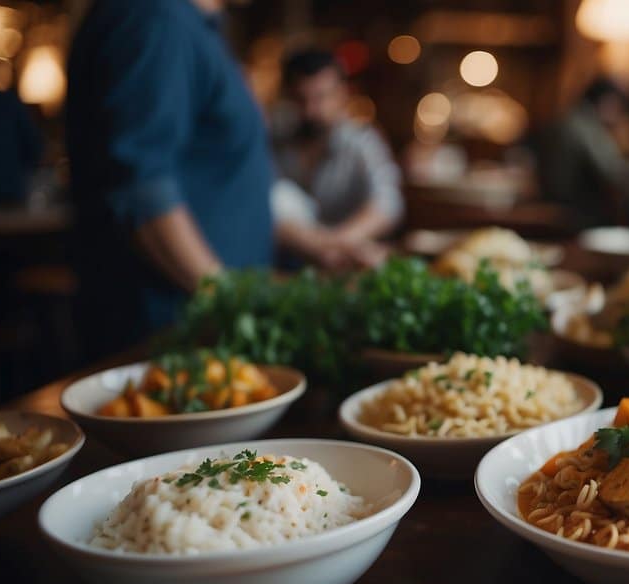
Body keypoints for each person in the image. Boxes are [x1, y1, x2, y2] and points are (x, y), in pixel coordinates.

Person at [66, 0, 272, 356]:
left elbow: (220, 179)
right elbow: (141, 187)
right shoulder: (155, 16)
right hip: (171, 331)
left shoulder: (193, 23)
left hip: (202, 324)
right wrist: (234, 304)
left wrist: (319, 242)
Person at [273, 49, 401, 270]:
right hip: (288, 264)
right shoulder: (274, 143)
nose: (312, 110)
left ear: (342, 93)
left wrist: (337, 243)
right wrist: (331, 248)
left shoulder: (363, 142)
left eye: (321, 97)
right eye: (302, 99)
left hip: (346, 261)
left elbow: (387, 204)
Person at [531, 77, 629, 228]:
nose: (620, 115)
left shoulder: (569, 117)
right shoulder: (586, 125)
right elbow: (614, 172)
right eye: (619, 107)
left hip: (553, 203)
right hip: (575, 213)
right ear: (607, 101)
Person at [0, 86, 43, 206]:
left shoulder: (7, 102)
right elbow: (34, 149)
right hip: (8, 195)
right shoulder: (7, 102)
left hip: (7, 195)